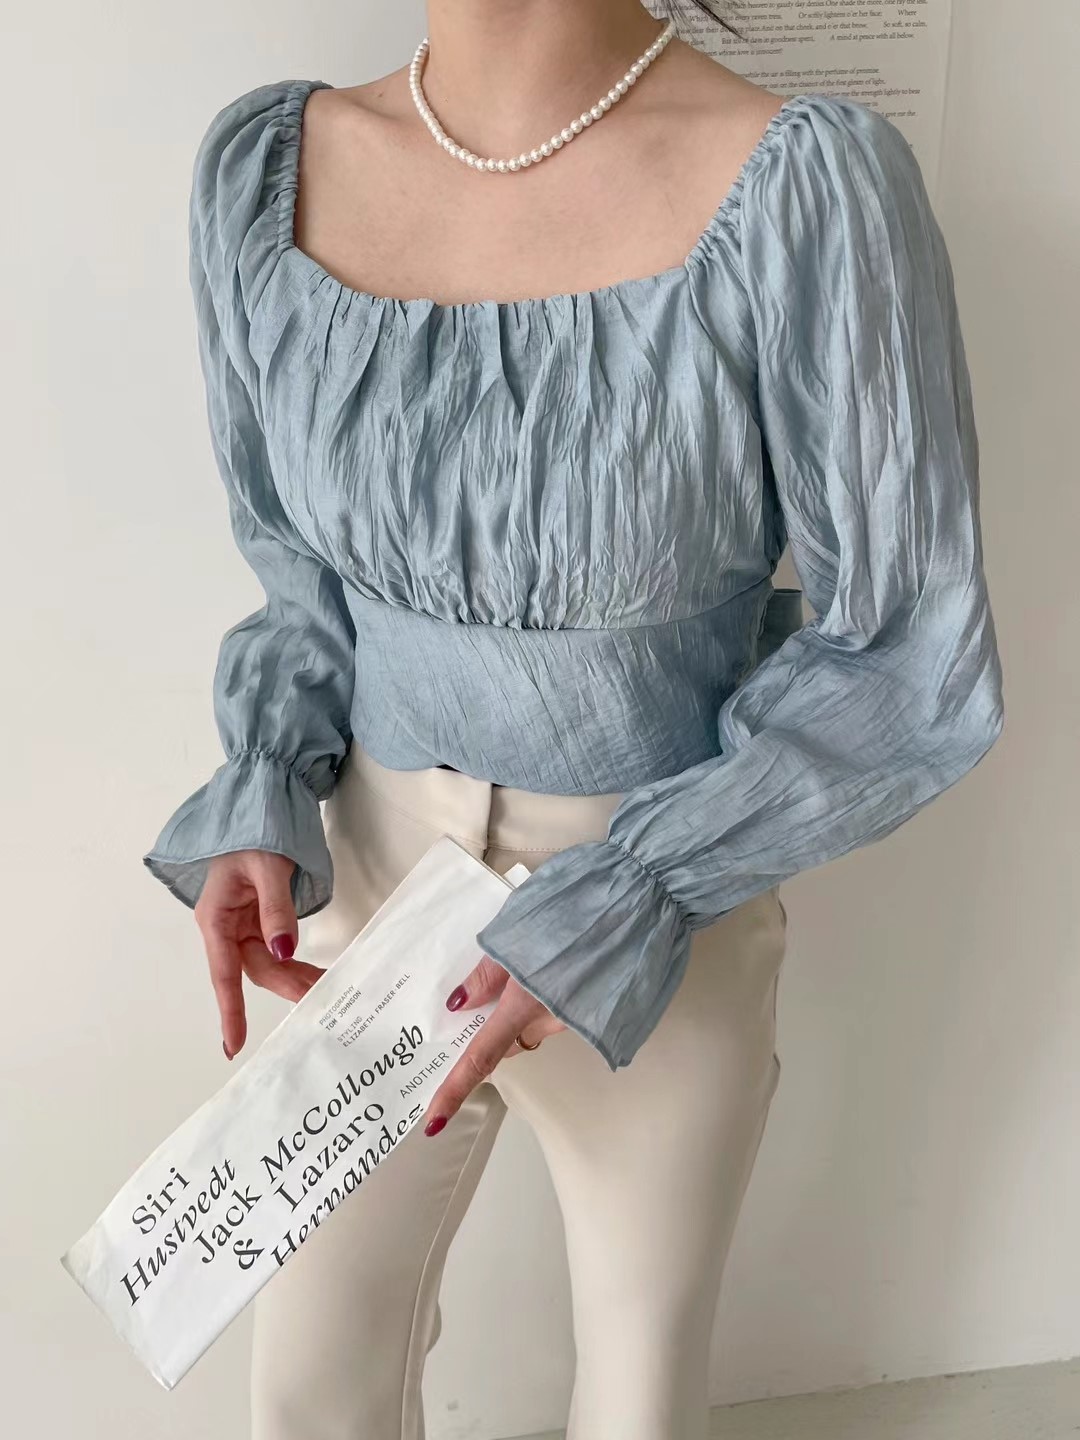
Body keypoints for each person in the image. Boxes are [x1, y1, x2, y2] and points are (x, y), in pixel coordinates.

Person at [143, 1, 1005, 1435]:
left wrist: (643, 889)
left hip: (657, 905)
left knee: (638, 1399)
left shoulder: (804, 185)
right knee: (307, 1390)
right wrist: (266, 785)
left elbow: (910, 649)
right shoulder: (270, 169)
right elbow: (299, 577)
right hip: (362, 886)